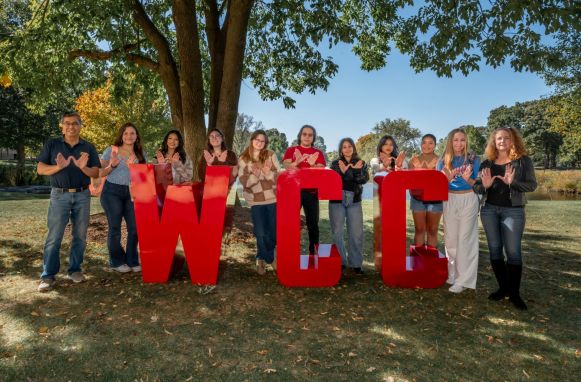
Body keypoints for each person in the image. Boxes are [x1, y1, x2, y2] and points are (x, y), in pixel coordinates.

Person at [36, 111, 100, 292]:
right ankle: (48, 276)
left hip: (82, 195)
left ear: (80, 126)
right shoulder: (52, 145)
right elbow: (40, 169)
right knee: (54, 237)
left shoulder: (88, 147)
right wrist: (58, 167)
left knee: (80, 236)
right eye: (67, 123)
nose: (71, 126)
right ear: (62, 126)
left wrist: (83, 167)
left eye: (75, 123)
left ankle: (75, 270)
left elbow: (95, 173)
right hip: (59, 196)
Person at [474, 127, 537, 310]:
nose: (502, 141)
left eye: (506, 138)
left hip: (513, 211)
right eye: (499, 138)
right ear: (494, 141)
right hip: (490, 210)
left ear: (513, 140)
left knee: (513, 251)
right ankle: (503, 289)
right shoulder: (487, 163)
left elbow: (532, 185)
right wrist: (484, 186)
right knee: (494, 249)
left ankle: (514, 294)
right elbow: (477, 188)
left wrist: (513, 183)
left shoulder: (522, 161)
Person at [437, 128, 481, 293]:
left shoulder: (473, 159)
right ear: (450, 141)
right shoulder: (443, 161)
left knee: (465, 239)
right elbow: (437, 186)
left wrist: (466, 178)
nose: (459, 143)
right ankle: (453, 274)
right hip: (449, 199)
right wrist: (445, 180)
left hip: (468, 199)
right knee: (451, 240)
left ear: (466, 142)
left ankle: (463, 280)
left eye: (462, 140)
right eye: (456, 140)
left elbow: (475, 184)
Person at [99, 123, 146, 273]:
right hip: (112, 192)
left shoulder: (140, 154)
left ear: (136, 136)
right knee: (115, 228)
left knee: (134, 228)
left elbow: (143, 177)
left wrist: (134, 168)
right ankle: (116, 261)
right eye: (126, 133)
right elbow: (100, 173)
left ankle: (132, 260)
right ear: (121, 135)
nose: (129, 136)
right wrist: (112, 165)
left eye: (132, 133)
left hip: (132, 193)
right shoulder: (111, 150)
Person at [238, 130, 280, 274]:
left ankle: (261, 257)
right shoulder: (243, 158)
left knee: (273, 232)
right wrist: (255, 177)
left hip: (273, 199)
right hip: (256, 201)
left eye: (263, 141)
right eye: (257, 140)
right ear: (252, 140)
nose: (260, 143)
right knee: (261, 232)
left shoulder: (270, 154)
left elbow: (278, 177)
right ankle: (270, 258)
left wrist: (268, 173)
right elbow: (244, 182)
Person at [282, 125, 326, 255]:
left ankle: (313, 252)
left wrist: (312, 164)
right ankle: (289, 252)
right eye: (304, 134)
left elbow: (321, 170)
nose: (307, 137)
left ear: (313, 138)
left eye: (310, 135)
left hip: (311, 192)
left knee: (313, 224)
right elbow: (286, 166)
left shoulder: (318, 153)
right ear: (300, 135)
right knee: (291, 223)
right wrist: (297, 162)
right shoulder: (291, 150)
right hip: (293, 191)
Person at [329, 138, 369, 274]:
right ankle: (341, 262)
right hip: (337, 201)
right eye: (344, 147)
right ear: (341, 150)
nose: (347, 149)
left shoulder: (361, 162)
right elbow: (336, 179)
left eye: (349, 146)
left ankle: (356, 263)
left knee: (356, 233)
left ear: (354, 148)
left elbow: (363, 179)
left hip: (355, 201)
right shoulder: (335, 163)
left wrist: (348, 171)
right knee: (337, 232)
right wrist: (354, 171)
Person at [408, 134, 443, 247]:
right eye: (424, 142)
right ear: (421, 144)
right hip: (417, 199)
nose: (427, 145)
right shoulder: (413, 160)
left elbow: (444, 181)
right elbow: (409, 181)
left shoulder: (441, 161)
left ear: (435, 145)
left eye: (430, 142)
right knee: (419, 229)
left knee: (432, 230)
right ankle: (418, 261)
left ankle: (431, 260)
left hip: (435, 200)